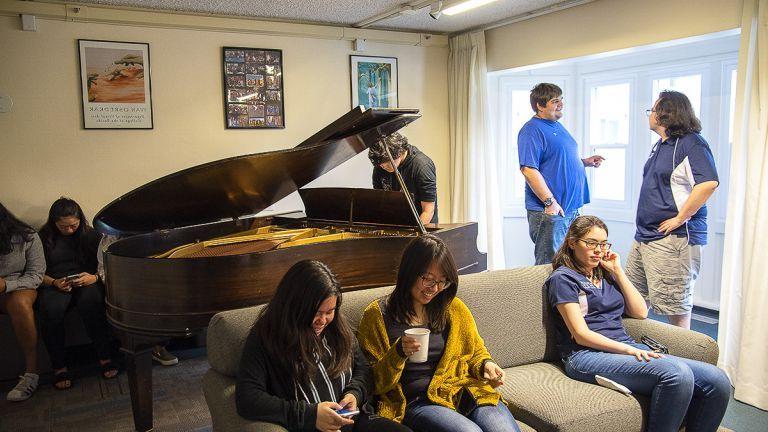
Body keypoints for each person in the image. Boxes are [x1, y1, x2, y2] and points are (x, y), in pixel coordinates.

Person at [545, 215, 730, 432]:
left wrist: (618, 271)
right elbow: (580, 334)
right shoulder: (563, 279)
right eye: (591, 243)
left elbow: (641, 312)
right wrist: (629, 349)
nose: (598, 250)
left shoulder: (605, 273)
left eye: (603, 244)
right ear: (572, 243)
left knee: (717, 381)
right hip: (584, 355)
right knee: (676, 374)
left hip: (624, 347)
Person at [357, 235, 521, 432]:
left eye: (442, 282)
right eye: (427, 279)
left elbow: (476, 352)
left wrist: (486, 365)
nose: (434, 289)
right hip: (417, 401)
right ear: (409, 271)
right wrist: (398, 353)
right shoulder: (377, 315)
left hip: (462, 391)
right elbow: (372, 381)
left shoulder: (453, 308)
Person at [236, 260, 412, 432]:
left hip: (353, 420)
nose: (323, 320)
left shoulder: (337, 327)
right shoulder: (265, 336)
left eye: (329, 312)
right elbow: (247, 398)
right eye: (316, 313)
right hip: (308, 425)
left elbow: (363, 369)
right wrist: (311, 415)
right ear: (295, 306)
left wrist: (354, 394)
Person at [626, 90, 719, 329]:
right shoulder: (662, 144)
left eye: (653, 110)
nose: (650, 115)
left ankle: (683, 362)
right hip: (645, 237)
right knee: (633, 301)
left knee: (675, 309)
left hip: (672, 240)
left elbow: (708, 183)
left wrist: (680, 218)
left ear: (666, 114)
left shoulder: (691, 143)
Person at [517, 83, 604, 265]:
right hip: (551, 210)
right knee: (549, 264)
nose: (561, 104)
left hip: (570, 208)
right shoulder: (531, 130)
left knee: (568, 262)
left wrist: (585, 162)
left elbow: (559, 160)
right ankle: (547, 295)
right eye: (555, 101)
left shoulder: (556, 126)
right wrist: (550, 202)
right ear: (540, 106)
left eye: (561, 100)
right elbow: (528, 169)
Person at [38, 197, 117, 389]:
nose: (69, 230)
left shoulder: (91, 235)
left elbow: (105, 263)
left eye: (73, 225)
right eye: (63, 226)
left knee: (92, 302)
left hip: (86, 278)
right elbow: (36, 271)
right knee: (51, 309)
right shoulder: (43, 237)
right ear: (53, 222)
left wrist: (94, 277)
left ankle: (105, 357)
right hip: (55, 282)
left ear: (80, 219)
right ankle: (59, 366)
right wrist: (54, 282)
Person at [97, 234, 178, 366]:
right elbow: (102, 268)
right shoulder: (109, 238)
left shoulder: (150, 232)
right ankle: (135, 348)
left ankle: (158, 347)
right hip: (121, 282)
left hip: (151, 279)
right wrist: (116, 283)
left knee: (163, 296)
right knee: (130, 301)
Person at [0, 202, 45, 401]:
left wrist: (5, 286)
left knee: (19, 304)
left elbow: (36, 275)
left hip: (19, 285)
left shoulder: (26, 236)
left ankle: (31, 373)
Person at [369, 133, 438, 225]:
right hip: (394, 223)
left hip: (423, 224)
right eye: (380, 164)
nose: (382, 166)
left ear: (399, 153)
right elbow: (380, 202)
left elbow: (428, 211)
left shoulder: (422, 167)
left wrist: (411, 236)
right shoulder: (380, 165)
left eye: (386, 163)